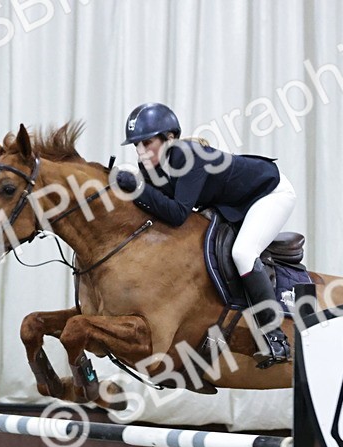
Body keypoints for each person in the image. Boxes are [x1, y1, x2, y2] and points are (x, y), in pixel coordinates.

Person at [114, 102, 293, 368]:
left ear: (170, 138)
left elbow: (177, 214)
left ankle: (275, 337)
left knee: (243, 253)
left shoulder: (188, 157)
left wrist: (137, 187)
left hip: (270, 193)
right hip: (230, 204)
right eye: (136, 145)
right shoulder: (152, 165)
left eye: (147, 143)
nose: (140, 152)